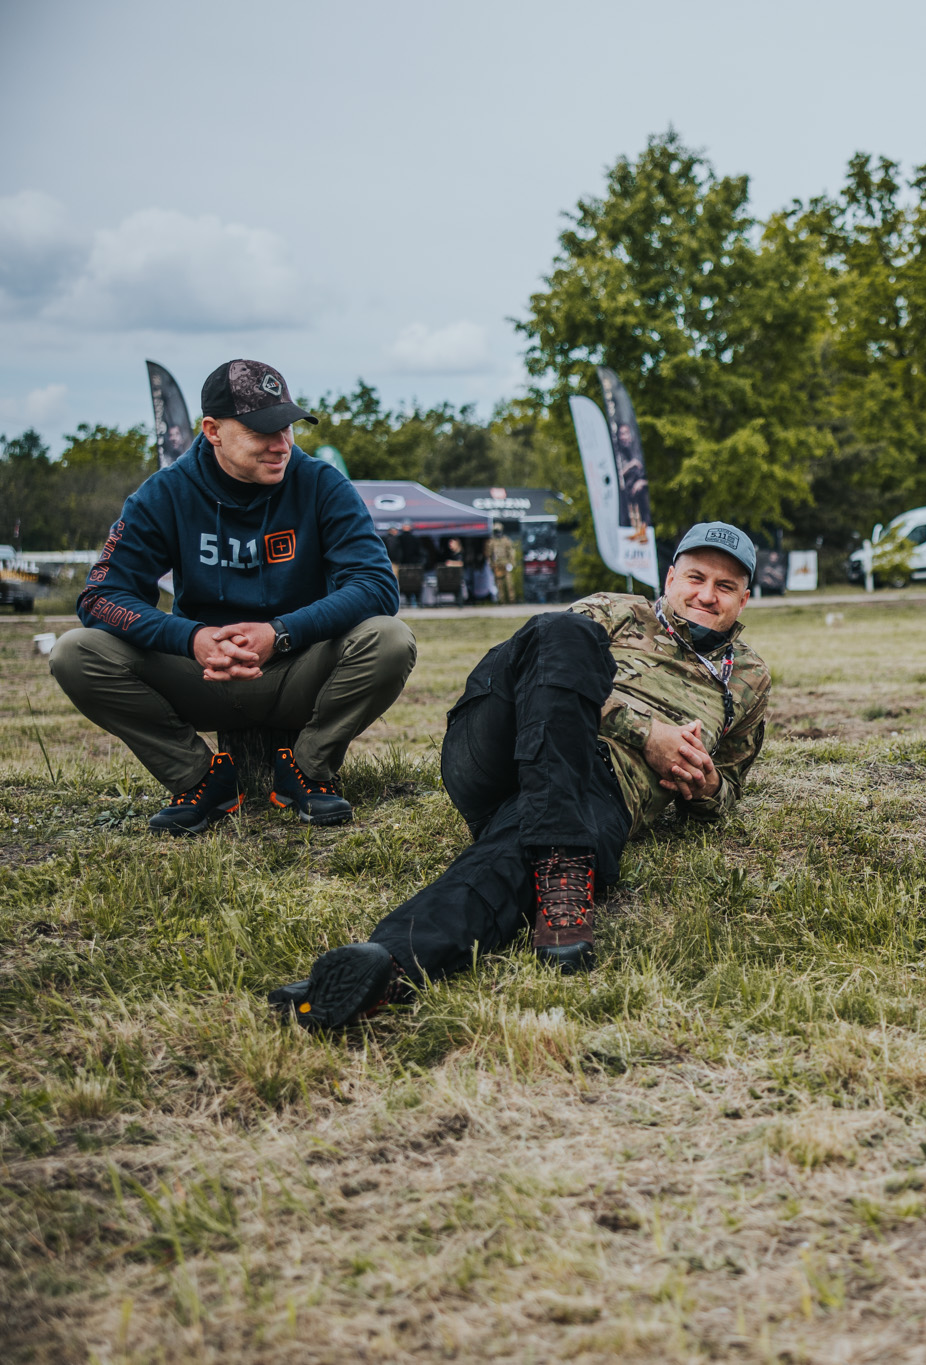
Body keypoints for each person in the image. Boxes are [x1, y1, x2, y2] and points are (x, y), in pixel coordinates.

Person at [269, 523, 771, 1029]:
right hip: (500, 748)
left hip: (601, 790)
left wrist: (704, 785)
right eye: (695, 577)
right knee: (561, 630)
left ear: (744, 599)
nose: (706, 595)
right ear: (669, 577)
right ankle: (566, 861)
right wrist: (648, 735)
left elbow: (727, 791)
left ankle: (386, 965)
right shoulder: (616, 611)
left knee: (517, 849)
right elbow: (544, 668)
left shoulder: (748, 677)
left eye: (725, 587)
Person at [50, 359, 414, 832]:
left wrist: (280, 633)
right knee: (74, 652)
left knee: (389, 638)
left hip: (298, 668)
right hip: (203, 673)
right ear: (213, 430)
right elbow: (100, 596)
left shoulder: (323, 484)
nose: (281, 444)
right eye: (262, 431)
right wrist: (191, 638)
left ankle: (307, 770)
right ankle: (200, 779)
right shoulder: (165, 493)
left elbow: (376, 586)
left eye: (287, 427)